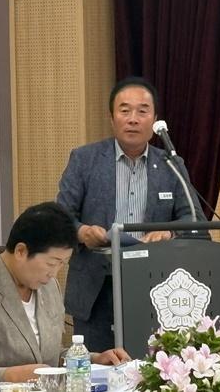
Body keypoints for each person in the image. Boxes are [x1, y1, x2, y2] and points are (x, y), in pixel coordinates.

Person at [57, 76, 206, 352]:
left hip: (156, 284)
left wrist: (169, 231)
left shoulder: (172, 164)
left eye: (142, 111)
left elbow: (195, 220)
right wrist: (82, 232)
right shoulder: (84, 160)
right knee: (98, 366)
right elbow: (60, 217)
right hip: (97, 287)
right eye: (125, 110)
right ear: (112, 118)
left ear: (155, 119)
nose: (133, 119)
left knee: (152, 366)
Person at [0, 202, 130, 392]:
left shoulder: (48, 287)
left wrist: (92, 359)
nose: (54, 273)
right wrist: (11, 376)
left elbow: (48, 356)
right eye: (51, 263)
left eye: (62, 264)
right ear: (21, 251)